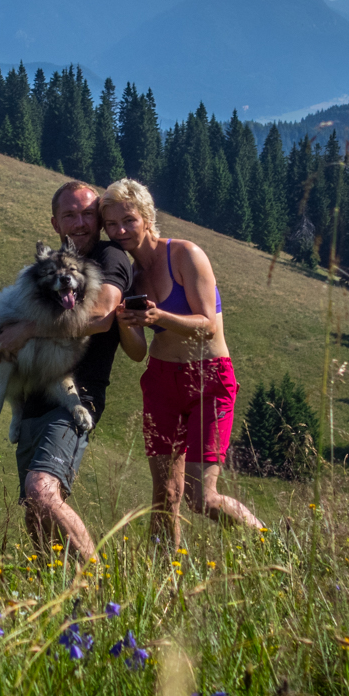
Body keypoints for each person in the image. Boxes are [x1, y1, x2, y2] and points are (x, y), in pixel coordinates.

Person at [100, 178, 263, 548]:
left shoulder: (185, 255)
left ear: (146, 216)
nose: (120, 230)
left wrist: (158, 318)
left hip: (209, 379)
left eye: (128, 219)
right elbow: (138, 352)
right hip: (160, 382)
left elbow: (207, 326)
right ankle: (165, 582)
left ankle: (268, 543)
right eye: (111, 224)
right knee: (165, 497)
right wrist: (126, 323)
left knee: (200, 497)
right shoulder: (130, 276)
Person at [0, 181, 132, 563]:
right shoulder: (49, 267)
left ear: (99, 219)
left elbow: (101, 317)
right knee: (37, 516)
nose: (81, 222)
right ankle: (58, 597)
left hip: (75, 398)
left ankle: (100, 584)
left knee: (41, 491)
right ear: (55, 223)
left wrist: (28, 330)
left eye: (88, 213)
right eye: (70, 215)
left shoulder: (109, 258)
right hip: (32, 400)